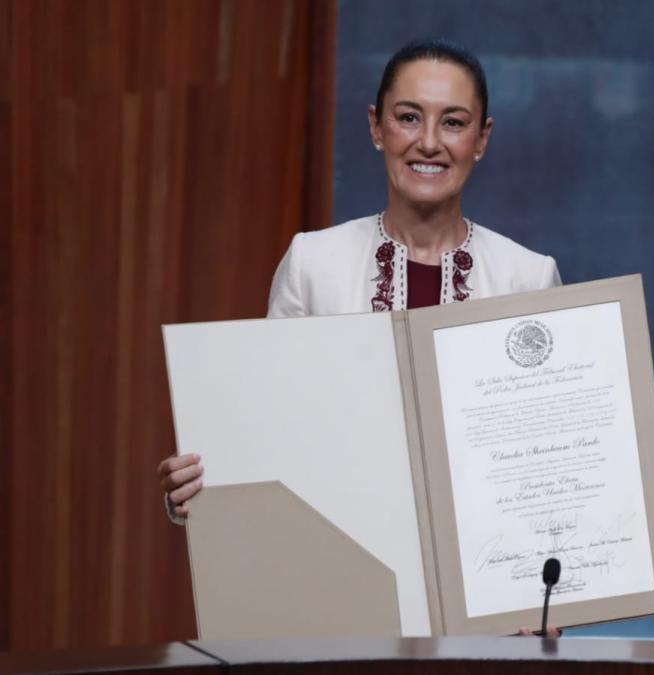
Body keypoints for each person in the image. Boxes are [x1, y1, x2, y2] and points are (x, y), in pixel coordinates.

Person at [158, 38, 560, 522]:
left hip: (486, 563)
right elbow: (266, 427)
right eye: (408, 117)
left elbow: (549, 461)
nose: (429, 141)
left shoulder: (529, 277)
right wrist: (200, 491)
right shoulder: (312, 263)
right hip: (342, 558)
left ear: (481, 139)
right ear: (376, 127)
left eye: (453, 122)